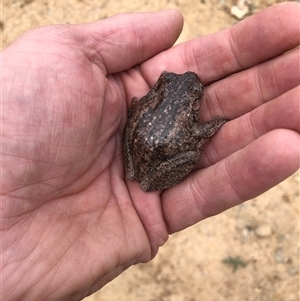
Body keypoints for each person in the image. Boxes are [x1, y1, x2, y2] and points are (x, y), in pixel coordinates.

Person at [1, 2, 299, 300]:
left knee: (155, 129)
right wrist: (216, 123)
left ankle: (140, 169)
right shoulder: (187, 114)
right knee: (194, 154)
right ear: (191, 103)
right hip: (156, 158)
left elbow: (139, 108)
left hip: (139, 148)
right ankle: (148, 174)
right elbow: (199, 132)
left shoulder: (153, 100)